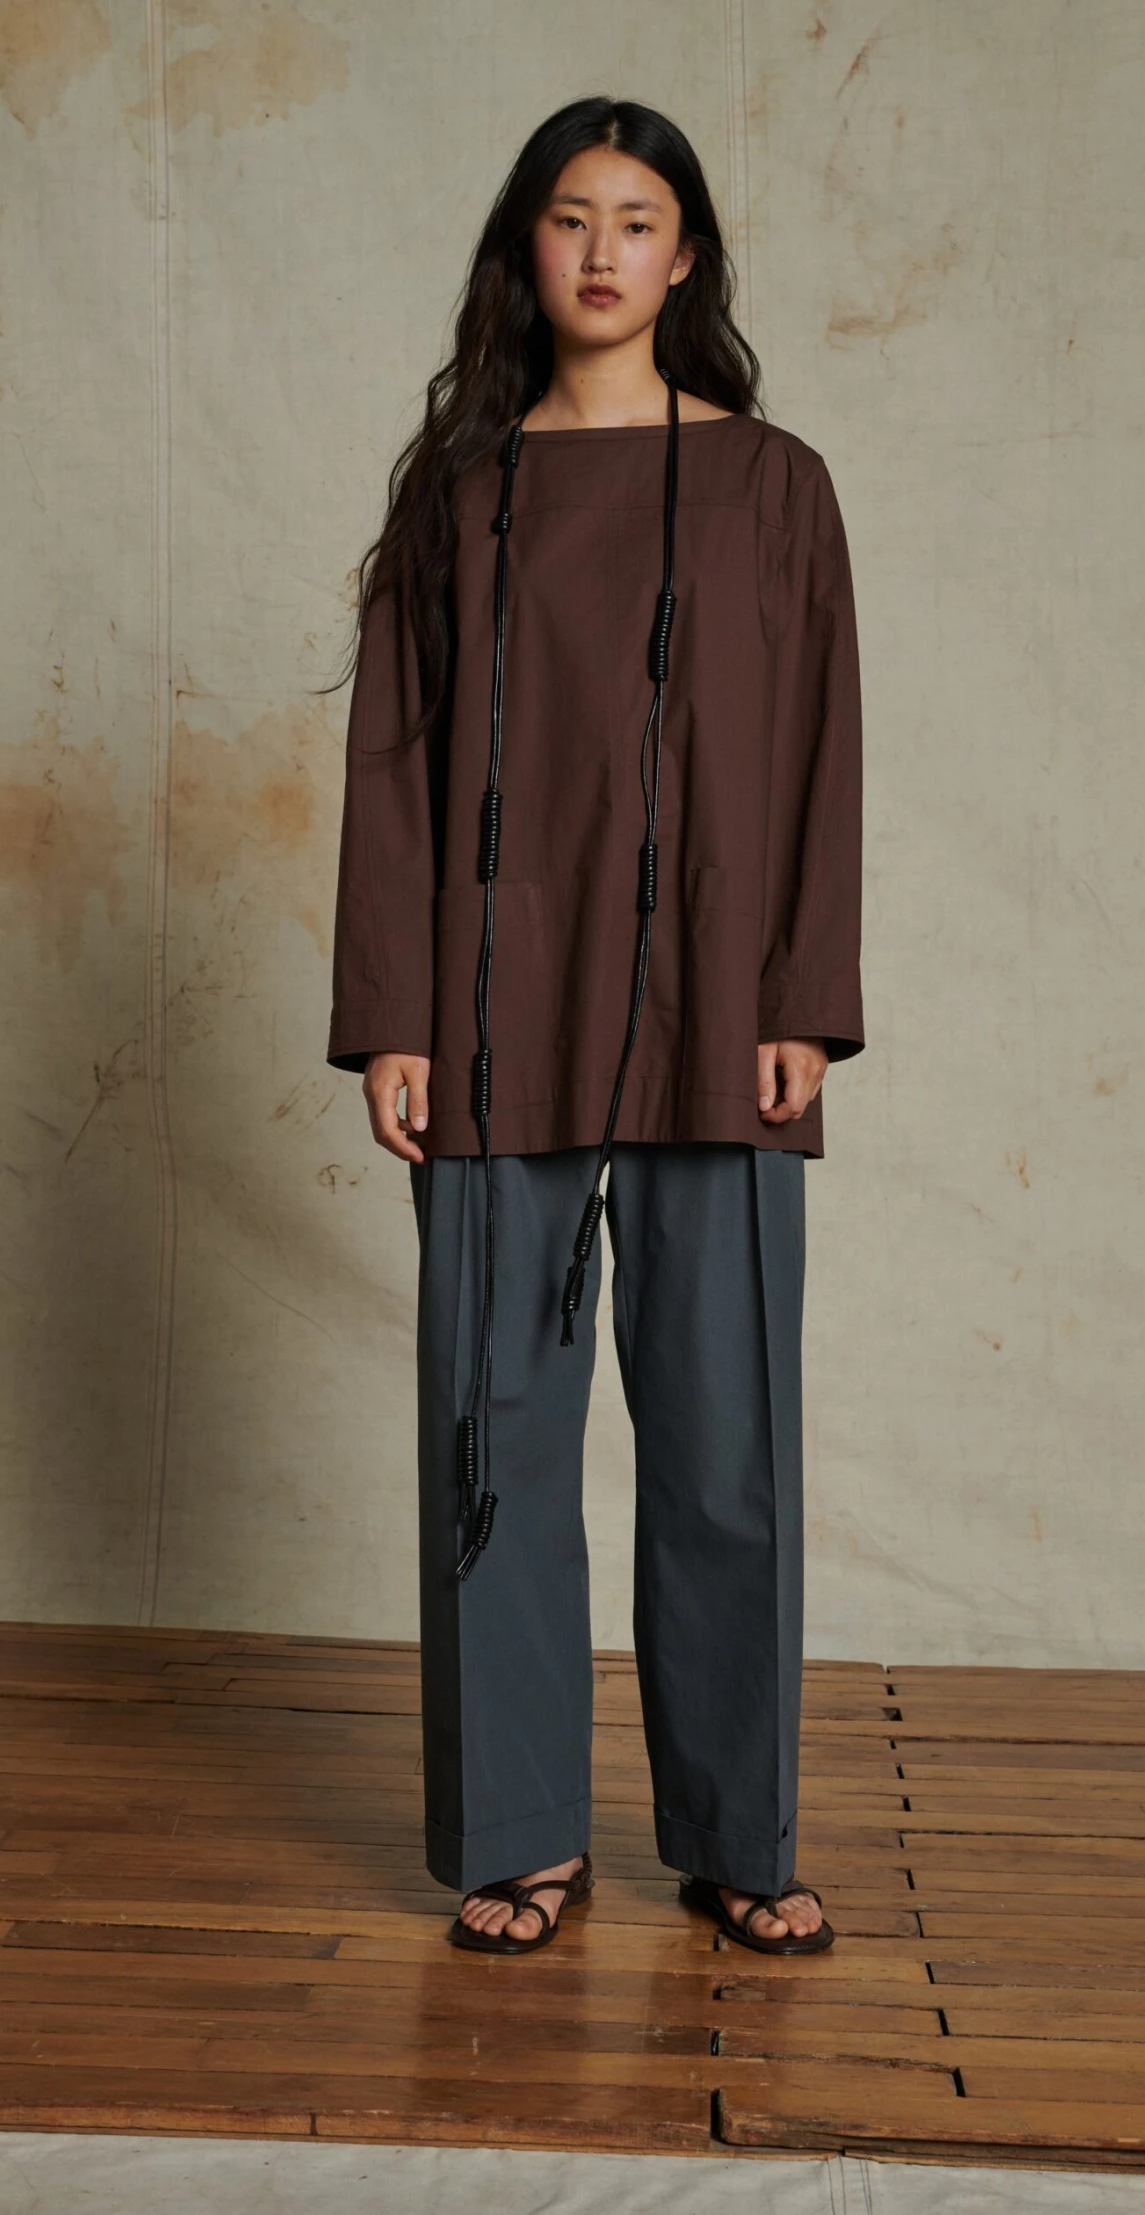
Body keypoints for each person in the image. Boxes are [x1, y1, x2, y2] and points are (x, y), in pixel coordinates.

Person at [326, 97, 863, 1959]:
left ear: (687, 253)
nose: (606, 251)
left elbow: (821, 752)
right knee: (494, 1428)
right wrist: (394, 1015)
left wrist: (802, 997)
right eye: (572, 217)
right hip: (496, 1004)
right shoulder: (457, 492)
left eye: (639, 219)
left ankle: (737, 1831)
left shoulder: (776, 485)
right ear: (527, 248)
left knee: (728, 1438)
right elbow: (394, 758)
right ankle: (517, 1828)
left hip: (725, 1004)